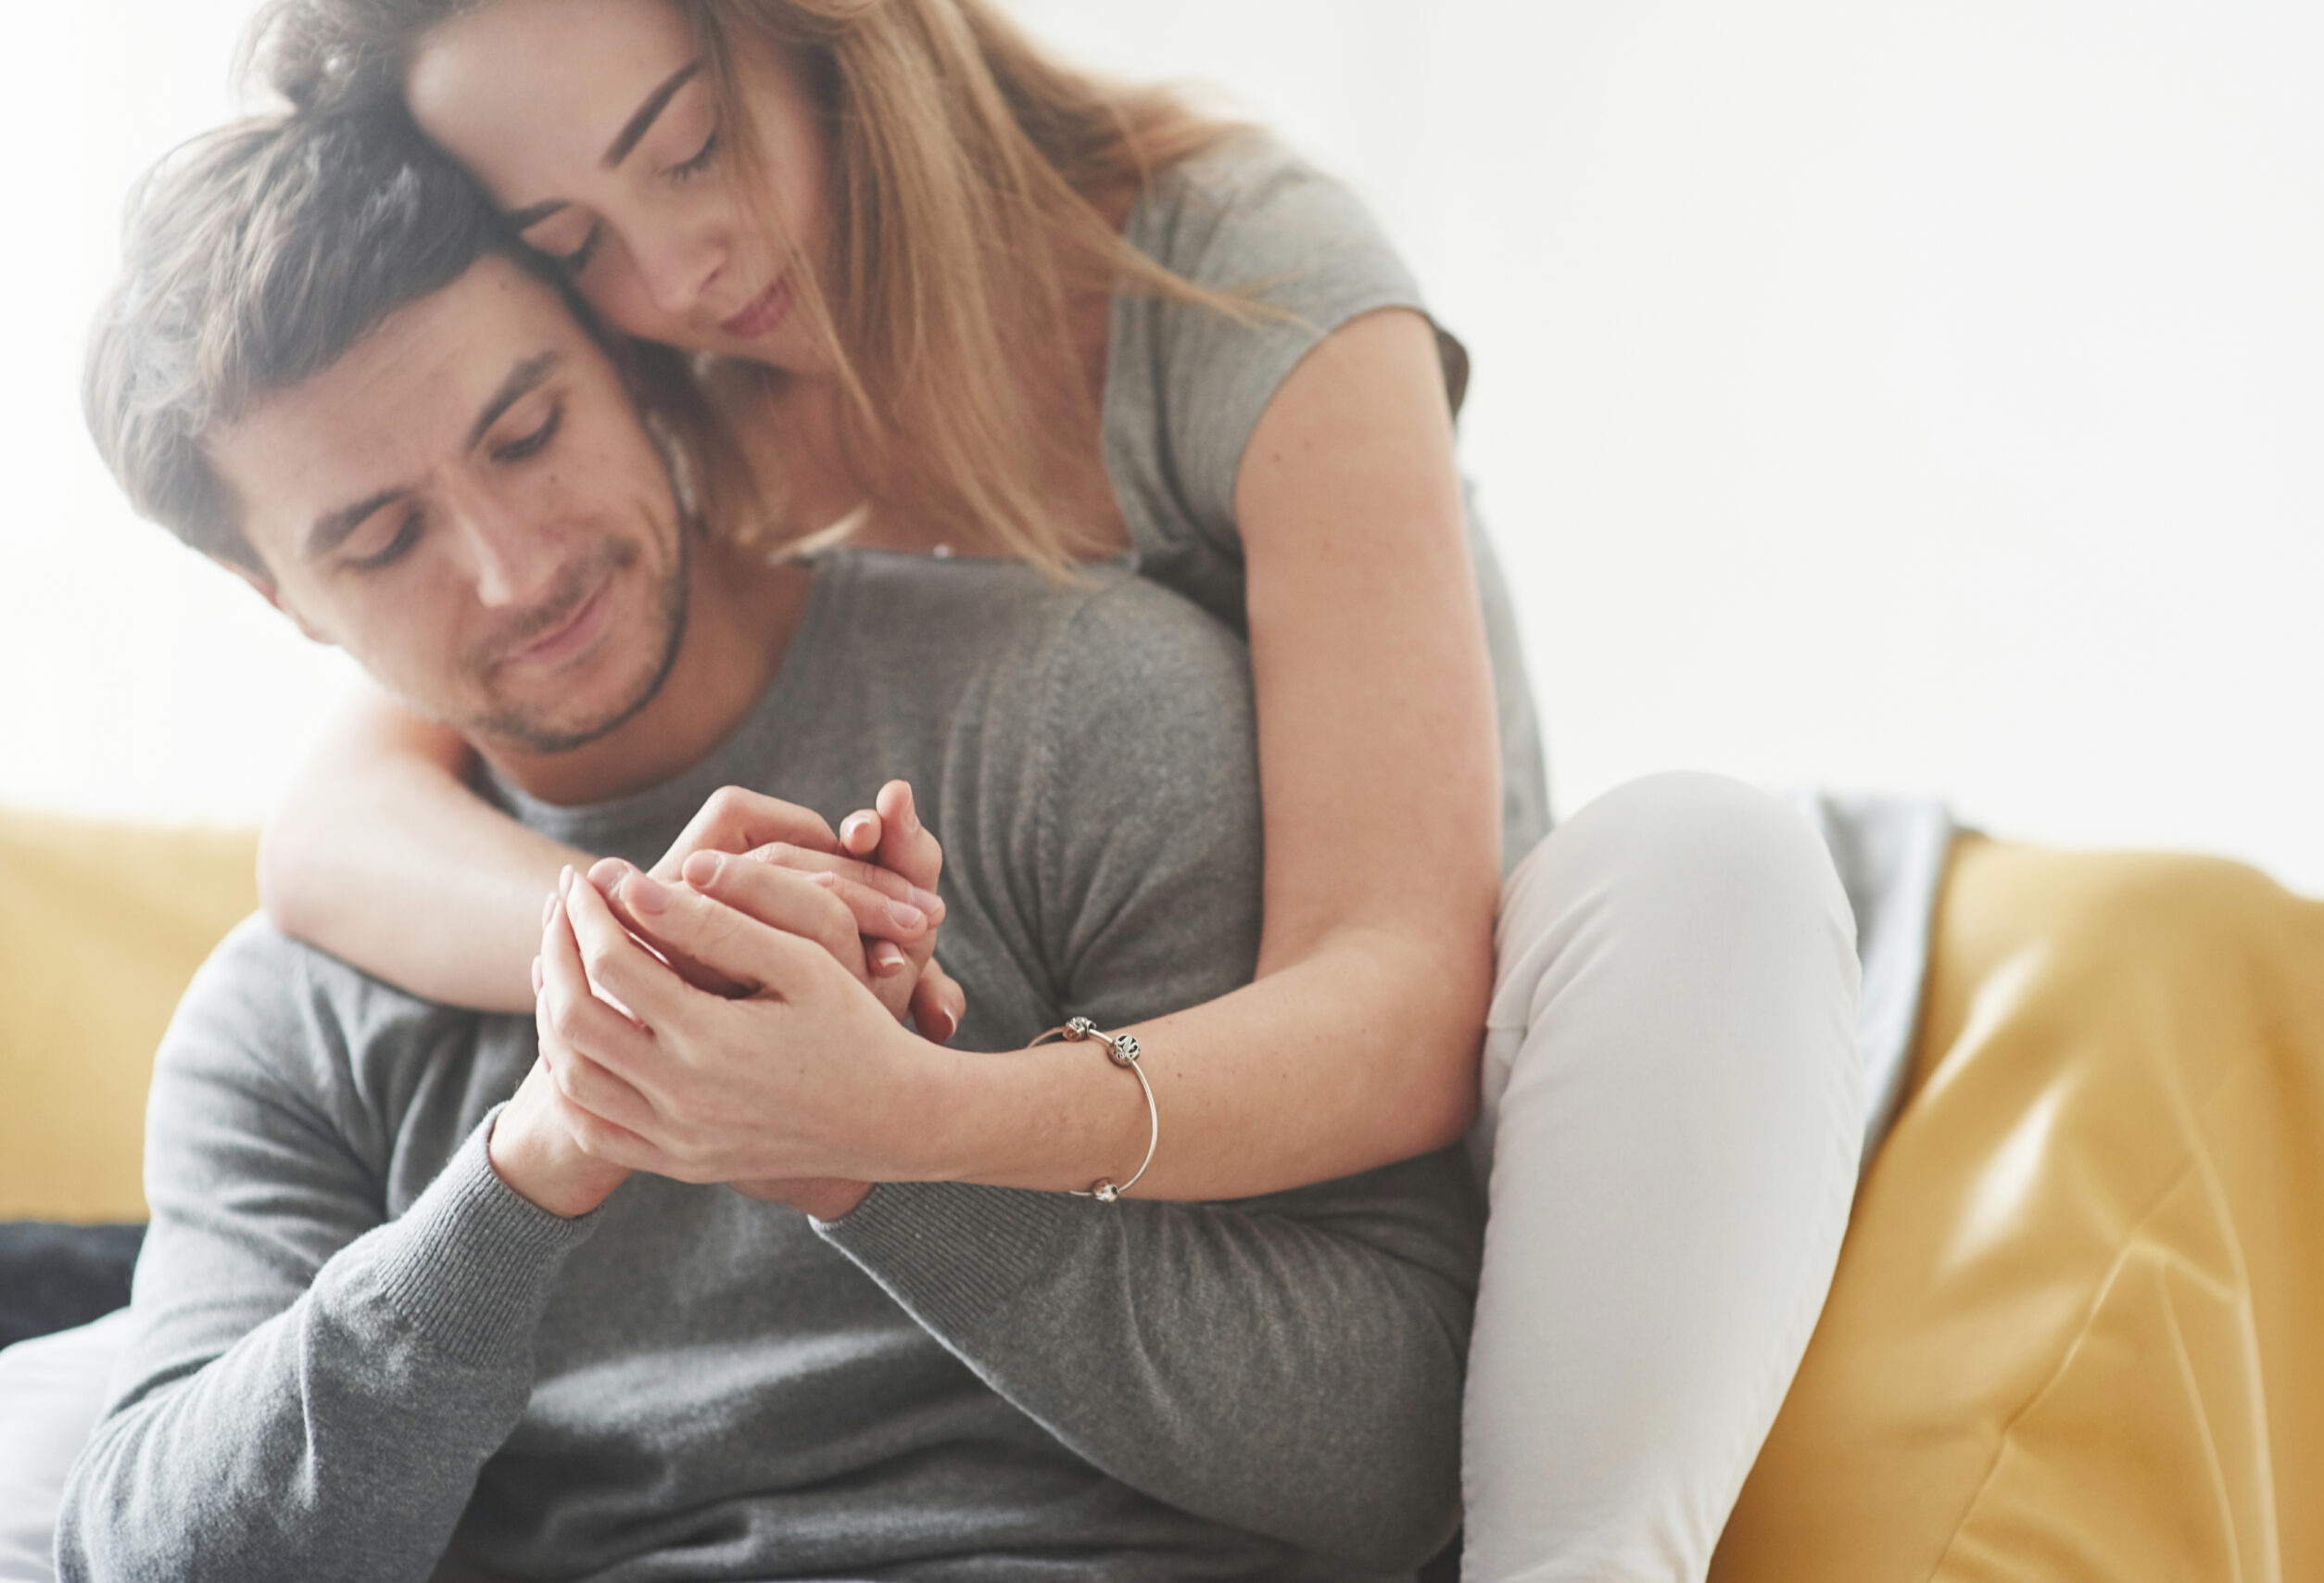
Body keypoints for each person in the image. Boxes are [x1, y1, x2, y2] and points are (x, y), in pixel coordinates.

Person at [241, 1, 1872, 1575]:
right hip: (1045, 1267)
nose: (674, 269)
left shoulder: (1241, 286)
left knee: (1698, 860)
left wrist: (909, 1122)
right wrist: (681, 962)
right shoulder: (669, 404)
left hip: (1469, 1109)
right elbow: (332, 829)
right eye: (571, 238)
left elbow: (1398, 1002)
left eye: (692, 147)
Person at [61, 103, 1483, 1581]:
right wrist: (546, 1154)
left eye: (527, 432)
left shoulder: (1073, 715)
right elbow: (156, 1559)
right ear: (275, 594)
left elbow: (1400, 1455)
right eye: (380, 539)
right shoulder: (286, 1018)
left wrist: (869, 1147)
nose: (513, 566)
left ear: (624, 364)